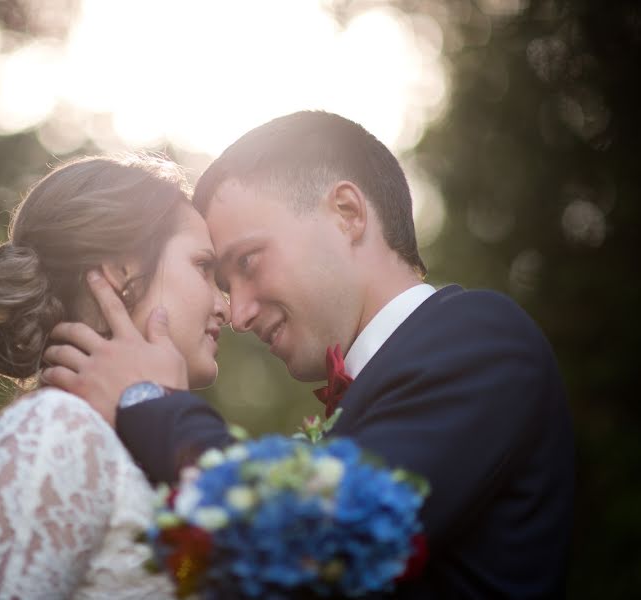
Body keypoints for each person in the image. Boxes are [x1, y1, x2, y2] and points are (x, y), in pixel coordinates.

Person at [42, 111, 575, 598]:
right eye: (220, 280)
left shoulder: (480, 340)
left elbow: (317, 538)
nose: (239, 314)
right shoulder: (377, 395)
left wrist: (148, 399)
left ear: (346, 213)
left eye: (247, 262)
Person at [0, 154, 228, 599]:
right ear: (122, 271)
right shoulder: (53, 431)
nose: (224, 306)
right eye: (203, 268)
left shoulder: (135, 445)